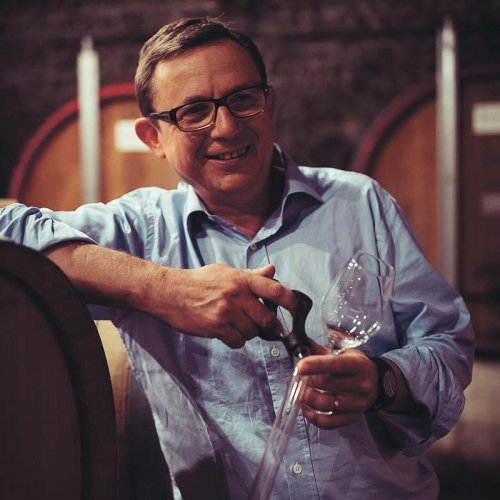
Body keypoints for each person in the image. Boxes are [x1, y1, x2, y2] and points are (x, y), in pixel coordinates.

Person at [0, 16, 473, 499]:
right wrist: (166, 290)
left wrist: (382, 381)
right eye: (194, 112)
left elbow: (446, 343)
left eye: (242, 99)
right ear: (153, 138)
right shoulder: (140, 230)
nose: (226, 127)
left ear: (269, 103)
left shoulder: (361, 203)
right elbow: (7, 233)